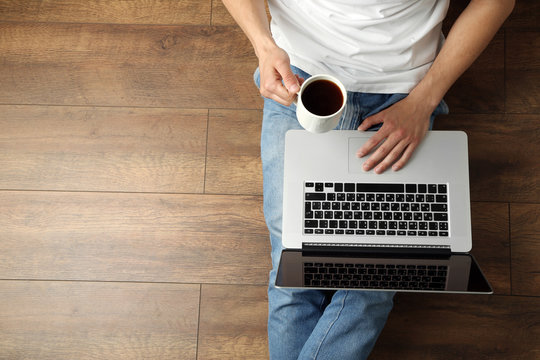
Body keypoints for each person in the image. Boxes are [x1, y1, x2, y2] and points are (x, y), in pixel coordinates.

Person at [221, 1, 514, 359]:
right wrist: (263, 45)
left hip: (406, 94)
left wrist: (424, 101)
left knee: (375, 282)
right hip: (301, 78)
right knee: (294, 274)